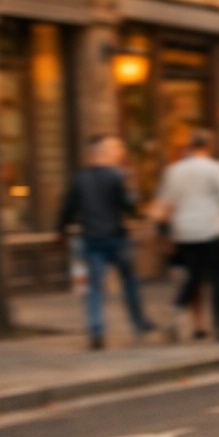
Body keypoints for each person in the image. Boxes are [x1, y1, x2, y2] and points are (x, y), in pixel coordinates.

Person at [151, 130, 219, 342]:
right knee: (217, 279)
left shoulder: (174, 171)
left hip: (184, 233)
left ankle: (181, 313)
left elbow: (163, 207)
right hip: (211, 231)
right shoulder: (216, 169)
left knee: (193, 279)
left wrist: (162, 234)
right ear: (210, 147)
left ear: (189, 146)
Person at [58, 134, 156, 350]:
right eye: (114, 149)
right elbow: (128, 206)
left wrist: (61, 232)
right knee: (129, 282)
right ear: (102, 152)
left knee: (94, 287)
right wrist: (140, 215)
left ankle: (96, 329)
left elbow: (67, 209)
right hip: (116, 238)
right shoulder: (116, 176)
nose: (118, 152)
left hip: (91, 239)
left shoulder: (80, 179)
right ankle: (139, 322)